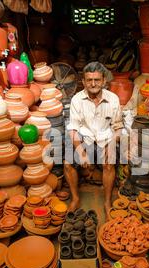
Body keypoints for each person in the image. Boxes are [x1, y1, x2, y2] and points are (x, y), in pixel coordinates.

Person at [64, 61, 124, 218]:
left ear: (104, 81)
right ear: (83, 82)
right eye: (89, 80)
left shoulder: (113, 99)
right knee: (67, 163)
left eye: (97, 80)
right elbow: (73, 129)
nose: (93, 84)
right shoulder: (77, 100)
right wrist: (80, 151)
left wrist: (112, 145)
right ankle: (75, 198)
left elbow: (118, 128)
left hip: (106, 138)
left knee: (109, 163)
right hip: (85, 138)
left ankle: (107, 201)